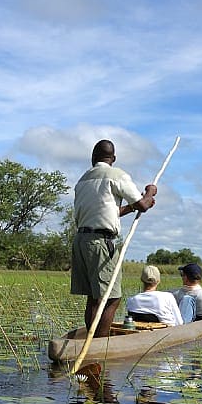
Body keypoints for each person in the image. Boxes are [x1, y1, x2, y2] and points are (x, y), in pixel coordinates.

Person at [71, 139, 157, 337]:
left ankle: (92, 341)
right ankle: (99, 344)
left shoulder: (83, 180)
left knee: (94, 297)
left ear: (93, 159)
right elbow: (143, 204)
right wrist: (150, 192)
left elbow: (109, 211)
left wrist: (136, 205)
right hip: (101, 242)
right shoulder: (116, 175)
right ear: (114, 159)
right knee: (111, 298)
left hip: (81, 241)